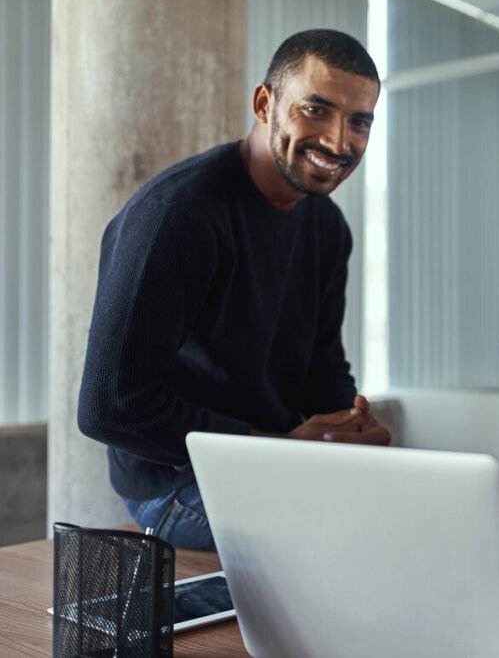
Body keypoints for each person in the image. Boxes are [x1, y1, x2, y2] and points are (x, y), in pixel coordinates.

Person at [78, 29, 390, 551]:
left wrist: (348, 433)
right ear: (265, 103)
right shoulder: (176, 217)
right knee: (344, 546)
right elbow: (110, 406)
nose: (339, 142)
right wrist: (279, 449)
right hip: (176, 484)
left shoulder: (328, 228)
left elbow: (321, 369)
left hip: (274, 462)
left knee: (408, 515)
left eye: (359, 121)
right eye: (316, 109)